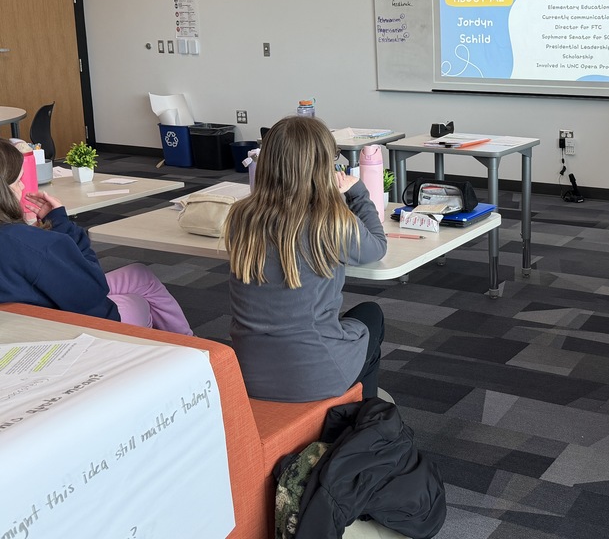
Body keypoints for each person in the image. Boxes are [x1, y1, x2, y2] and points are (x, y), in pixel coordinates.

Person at [225, 115, 388, 402]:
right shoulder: (331, 220)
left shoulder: (241, 216)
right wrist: (357, 192)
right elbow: (377, 247)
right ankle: (363, 417)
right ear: (322, 164)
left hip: (246, 374)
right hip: (316, 376)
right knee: (371, 315)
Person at [0, 139, 192, 334]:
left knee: (140, 274)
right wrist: (61, 223)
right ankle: (185, 350)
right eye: (18, 182)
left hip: (22, 318)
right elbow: (92, 288)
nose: (23, 188)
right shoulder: (28, 243)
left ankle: (194, 344)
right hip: (66, 327)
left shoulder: (21, 239)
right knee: (140, 304)